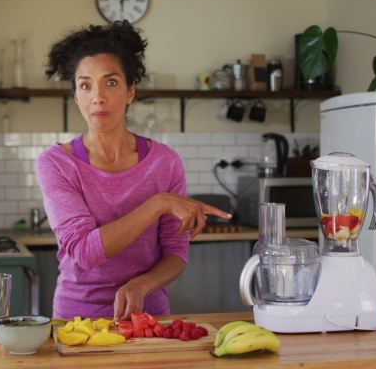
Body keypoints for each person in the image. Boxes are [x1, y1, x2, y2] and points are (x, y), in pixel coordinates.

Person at [35, 20, 231, 322]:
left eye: (111, 82)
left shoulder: (165, 162)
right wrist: (158, 203)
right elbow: (84, 252)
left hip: (148, 319)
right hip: (78, 323)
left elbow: (176, 252)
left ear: (130, 92)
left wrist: (143, 284)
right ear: (76, 97)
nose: (97, 96)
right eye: (85, 85)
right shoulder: (56, 163)